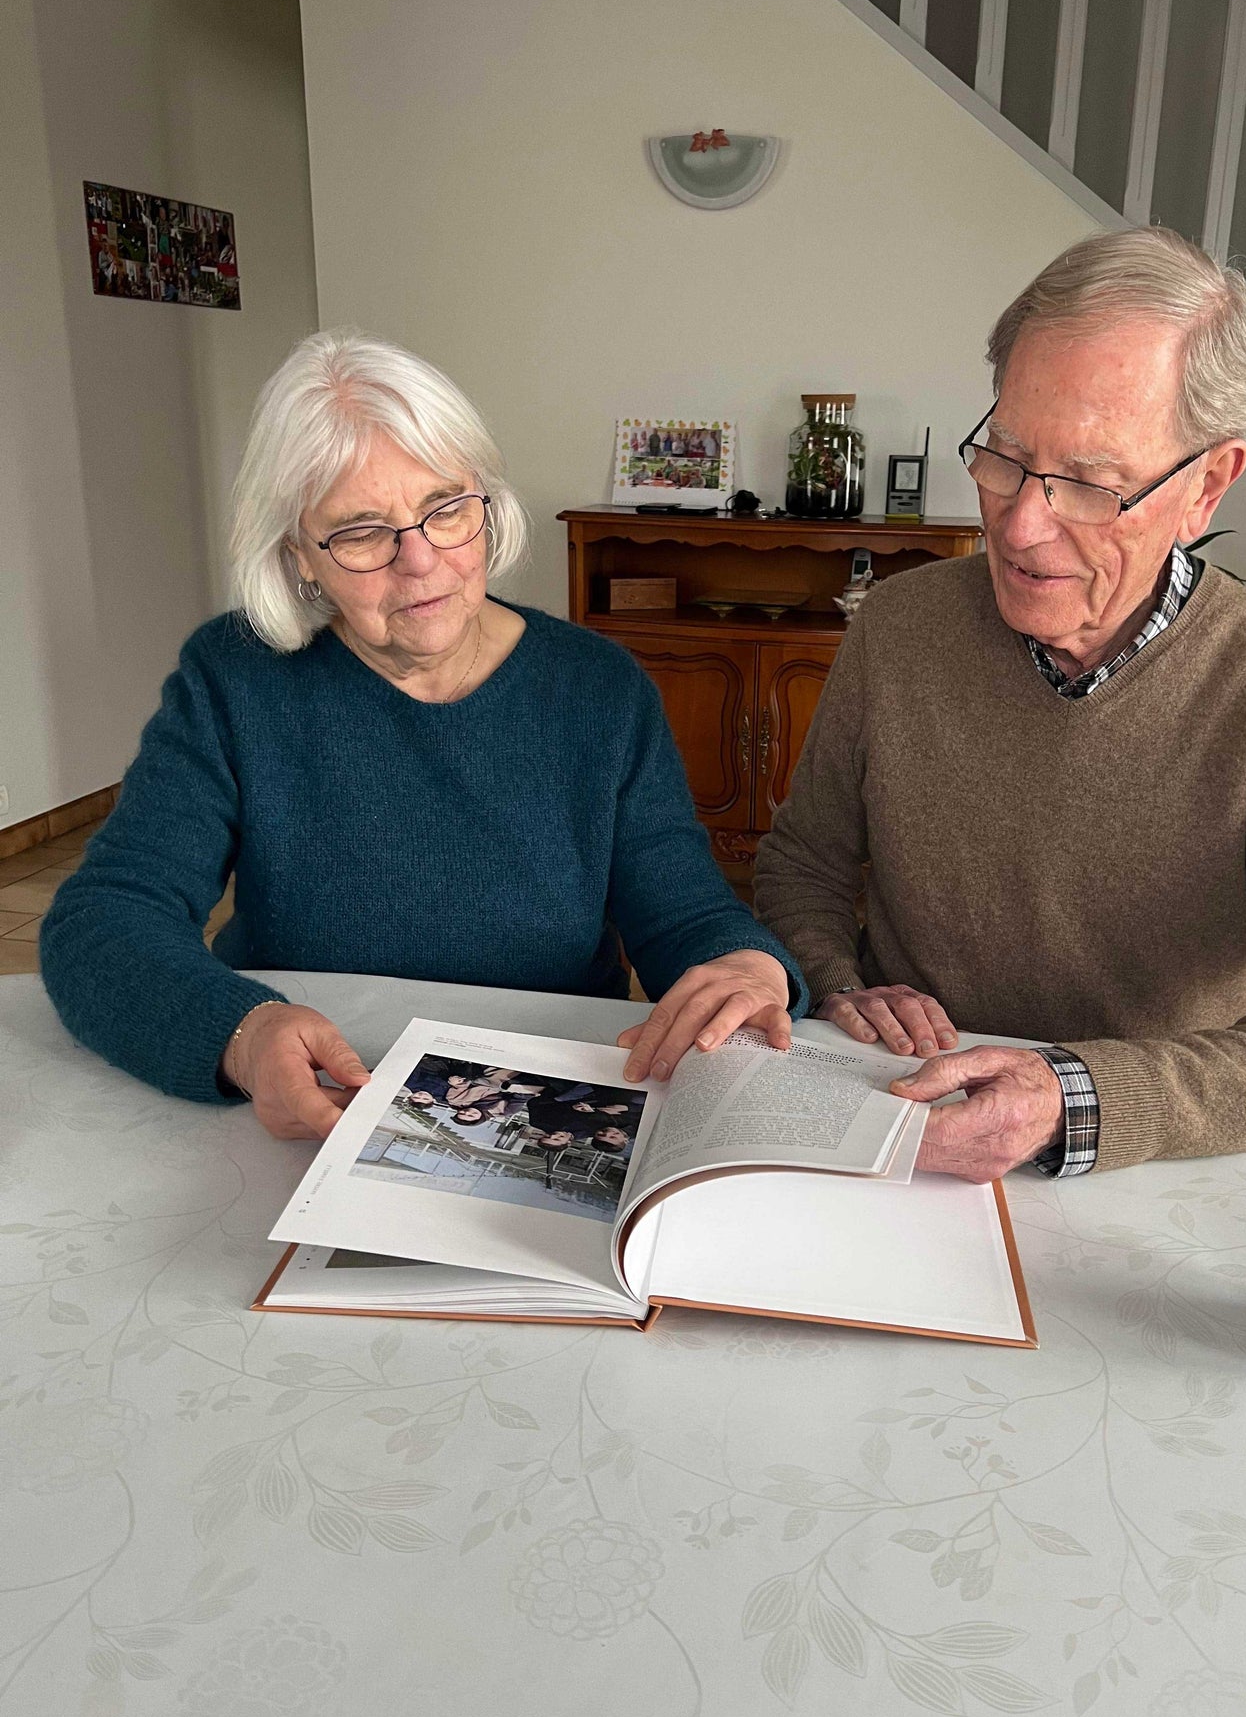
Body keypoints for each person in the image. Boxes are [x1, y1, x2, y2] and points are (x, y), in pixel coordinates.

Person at [755, 227, 1246, 1182]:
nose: (1023, 525)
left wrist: (1076, 1097)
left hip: (1146, 1166)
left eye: (1090, 484)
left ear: (1207, 486)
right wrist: (840, 979)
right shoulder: (899, 626)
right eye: (1006, 456)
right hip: (909, 1116)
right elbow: (801, 864)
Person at [42, 332, 805, 1141]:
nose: (421, 562)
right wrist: (243, 1034)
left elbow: (683, 915)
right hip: (309, 1106)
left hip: (536, 1108)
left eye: (445, 509)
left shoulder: (598, 689)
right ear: (299, 555)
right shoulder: (236, 679)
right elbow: (101, 922)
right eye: (362, 531)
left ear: (485, 502)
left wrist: (747, 964)